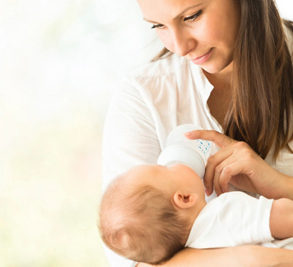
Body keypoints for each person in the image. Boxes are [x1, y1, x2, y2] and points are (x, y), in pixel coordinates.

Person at [102, 0, 293, 266]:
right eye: (158, 25)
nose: (180, 47)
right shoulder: (145, 96)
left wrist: (276, 182)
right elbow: (132, 258)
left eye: (192, 16)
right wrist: (254, 259)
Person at [99, 164, 293, 265]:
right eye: (165, 168)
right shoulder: (221, 214)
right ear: (184, 198)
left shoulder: (193, 251)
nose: (172, 163)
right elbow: (286, 217)